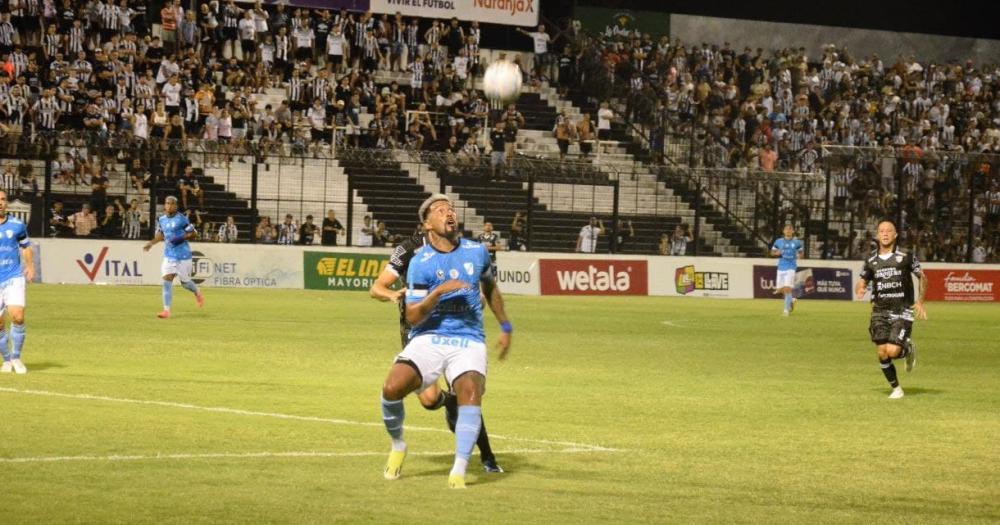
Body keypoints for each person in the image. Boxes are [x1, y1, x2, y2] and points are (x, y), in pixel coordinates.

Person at [377, 194, 512, 489]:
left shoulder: (477, 252)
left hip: (468, 338)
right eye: (440, 210)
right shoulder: (418, 260)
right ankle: (398, 445)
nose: (448, 213)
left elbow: (490, 289)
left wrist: (505, 325)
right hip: (427, 336)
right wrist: (437, 293)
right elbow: (412, 317)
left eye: (450, 209)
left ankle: (460, 470)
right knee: (393, 389)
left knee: (470, 394)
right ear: (427, 223)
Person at [854, 220, 928, 399]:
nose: (885, 233)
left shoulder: (906, 256)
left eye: (889, 231)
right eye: (881, 231)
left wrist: (920, 301)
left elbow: (923, 277)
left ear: (895, 235)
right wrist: (861, 288)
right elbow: (862, 281)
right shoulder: (871, 259)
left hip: (902, 309)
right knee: (882, 352)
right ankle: (896, 389)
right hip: (880, 310)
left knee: (893, 352)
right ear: (878, 235)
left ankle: (907, 350)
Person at [143, 196, 204, 319]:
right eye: (167, 203)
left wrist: (180, 238)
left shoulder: (182, 219)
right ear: (165, 205)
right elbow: (161, 235)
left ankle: (197, 292)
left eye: (172, 204)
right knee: (167, 281)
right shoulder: (162, 219)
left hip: (183, 255)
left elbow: (194, 233)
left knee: (186, 284)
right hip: (169, 256)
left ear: (176, 205)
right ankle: (166, 311)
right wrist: (151, 243)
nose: (169, 206)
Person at [0, 190, 33, 374]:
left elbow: (26, 246)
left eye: (3, 199)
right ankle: (6, 360)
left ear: (7, 203)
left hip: (13, 276)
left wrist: (30, 266)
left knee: (18, 316)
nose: (0, 203)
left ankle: (16, 357)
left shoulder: (17, 224)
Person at [771, 224, 803, 316]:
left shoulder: (797, 242)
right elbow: (772, 252)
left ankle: (786, 310)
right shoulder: (778, 241)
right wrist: (777, 253)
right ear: (783, 231)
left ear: (793, 231)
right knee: (780, 289)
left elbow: (801, 253)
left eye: (790, 229)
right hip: (781, 266)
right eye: (786, 229)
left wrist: (799, 256)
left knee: (787, 288)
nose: (788, 231)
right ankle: (791, 300)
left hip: (791, 267)